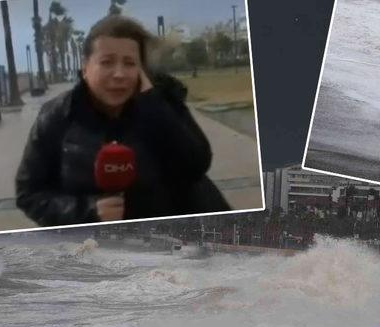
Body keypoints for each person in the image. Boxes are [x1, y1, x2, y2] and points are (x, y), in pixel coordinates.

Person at [16, 15, 229, 227]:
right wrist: (88, 211)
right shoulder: (57, 116)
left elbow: (196, 165)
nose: (119, 74)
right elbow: (29, 194)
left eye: (129, 63)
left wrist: (152, 104)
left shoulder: (161, 103)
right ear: (85, 68)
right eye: (107, 62)